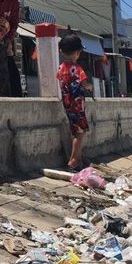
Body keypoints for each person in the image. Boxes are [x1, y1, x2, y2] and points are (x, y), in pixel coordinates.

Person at [56, 35, 93, 172]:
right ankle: (72, 162)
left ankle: (79, 161)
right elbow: (85, 84)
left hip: (67, 105)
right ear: (78, 53)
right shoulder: (78, 69)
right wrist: (90, 86)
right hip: (77, 106)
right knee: (80, 133)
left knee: (77, 131)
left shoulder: (60, 68)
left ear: (61, 52)